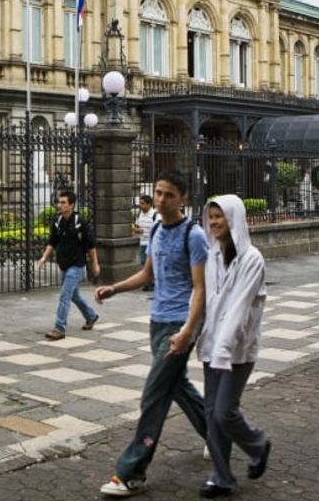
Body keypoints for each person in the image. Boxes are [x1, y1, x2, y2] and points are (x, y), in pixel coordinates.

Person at [93, 171, 209, 497]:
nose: (160, 199)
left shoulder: (194, 235)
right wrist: (115, 288)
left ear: (182, 198)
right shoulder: (156, 228)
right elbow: (147, 273)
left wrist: (188, 331)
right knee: (177, 387)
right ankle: (217, 436)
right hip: (157, 321)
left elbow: (201, 289)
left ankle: (132, 471)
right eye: (157, 193)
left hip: (179, 324)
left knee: (153, 396)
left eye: (168, 194)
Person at [197, 195, 272, 498]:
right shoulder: (212, 254)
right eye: (211, 216)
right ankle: (222, 477)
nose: (214, 222)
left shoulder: (252, 259)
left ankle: (258, 444)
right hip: (211, 346)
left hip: (237, 351)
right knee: (211, 414)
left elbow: (239, 309)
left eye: (220, 216)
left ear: (234, 218)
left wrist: (223, 351)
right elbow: (204, 300)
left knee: (224, 412)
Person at [37, 190, 100, 340]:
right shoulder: (58, 222)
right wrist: (44, 257)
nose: (60, 205)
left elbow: (91, 245)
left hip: (77, 265)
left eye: (63, 202)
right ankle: (91, 315)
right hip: (64, 264)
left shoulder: (80, 223)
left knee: (65, 294)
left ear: (71, 205)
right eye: (59, 202)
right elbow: (52, 242)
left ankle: (59, 328)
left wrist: (95, 264)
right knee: (74, 295)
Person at [134, 195, 157, 292]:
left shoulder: (154, 214)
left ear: (149, 204)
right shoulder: (140, 214)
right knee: (143, 262)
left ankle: (150, 282)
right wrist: (136, 230)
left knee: (151, 264)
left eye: (142, 203)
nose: (140, 205)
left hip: (151, 243)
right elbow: (137, 226)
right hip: (142, 242)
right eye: (140, 203)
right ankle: (148, 282)